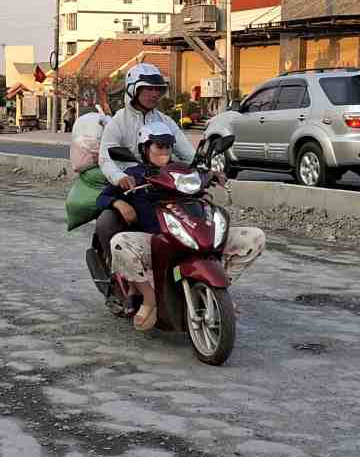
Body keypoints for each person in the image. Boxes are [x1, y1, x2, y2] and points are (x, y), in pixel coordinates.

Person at [104, 126, 265, 331]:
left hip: (191, 233)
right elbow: (103, 196)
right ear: (145, 148)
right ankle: (149, 299)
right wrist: (119, 203)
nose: (164, 151)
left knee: (254, 238)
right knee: (119, 243)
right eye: (159, 146)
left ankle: (217, 290)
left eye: (168, 147)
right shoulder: (135, 173)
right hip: (155, 240)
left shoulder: (182, 171)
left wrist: (211, 176)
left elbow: (200, 178)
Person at [94, 64, 196, 272]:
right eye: (148, 89)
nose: (154, 94)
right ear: (134, 90)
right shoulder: (119, 122)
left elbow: (187, 154)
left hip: (163, 186)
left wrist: (206, 170)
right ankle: (116, 273)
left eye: (158, 89)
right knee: (106, 223)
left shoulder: (165, 121)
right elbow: (105, 157)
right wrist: (119, 178)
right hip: (130, 188)